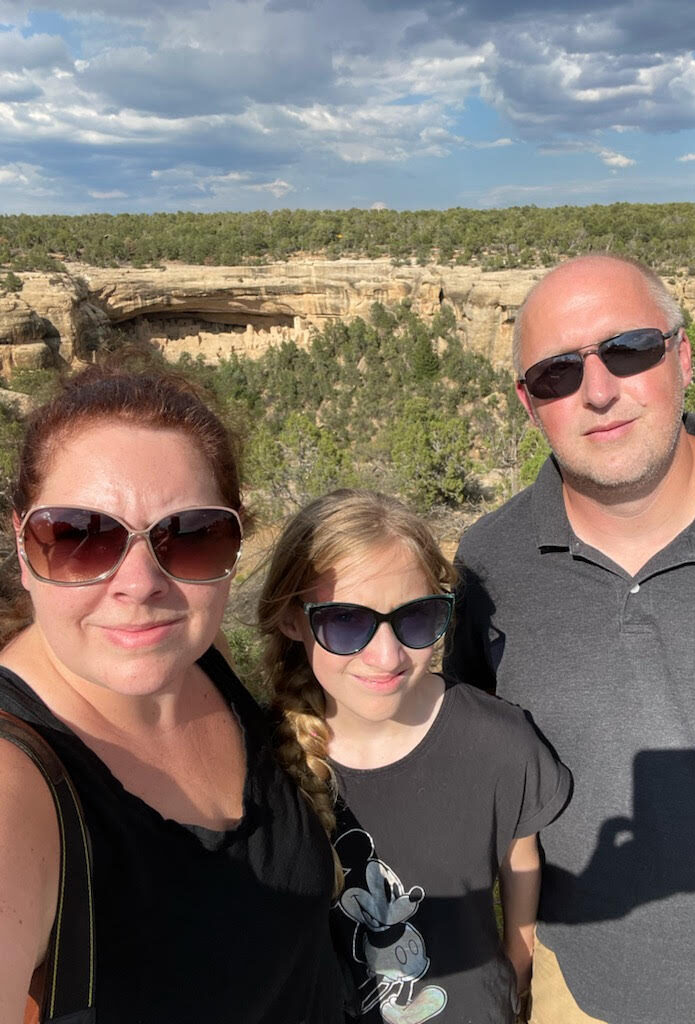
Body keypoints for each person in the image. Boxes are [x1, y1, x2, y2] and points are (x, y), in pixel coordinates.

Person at [445, 253, 695, 1024]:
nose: (597, 391)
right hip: (575, 991)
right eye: (557, 374)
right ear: (530, 405)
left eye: (628, 350)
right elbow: (476, 776)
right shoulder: (492, 563)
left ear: (683, 355)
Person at [0, 367, 344, 1024]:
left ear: (235, 544)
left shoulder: (194, 656)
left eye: (189, 537)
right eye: (78, 535)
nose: (140, 584)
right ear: (24, 545)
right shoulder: (17, 784)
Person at [256, 488, 571, 1024]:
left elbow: (521, 859)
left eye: (417, 618)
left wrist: (518, 966)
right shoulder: (261, 763)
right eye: (346, 622)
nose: (387, 656)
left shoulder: (498, 741)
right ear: (291, 620)